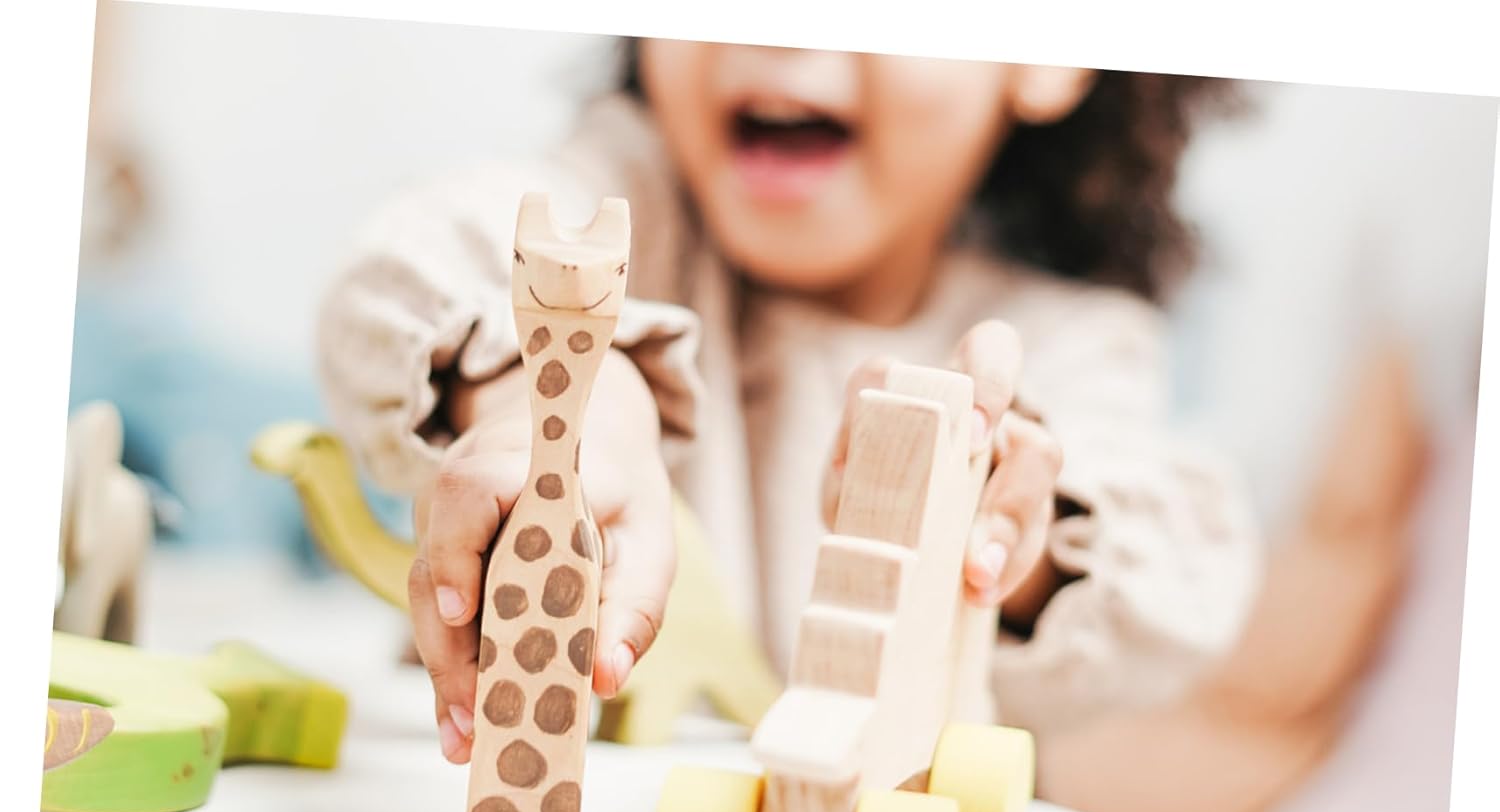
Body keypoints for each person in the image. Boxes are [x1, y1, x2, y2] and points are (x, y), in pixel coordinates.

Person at [317, 41, 1259, 766]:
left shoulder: (1071, 339)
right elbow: (414, 262)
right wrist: (558, 393)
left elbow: (1172, 590)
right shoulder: (628, 195)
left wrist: (1005, 524)